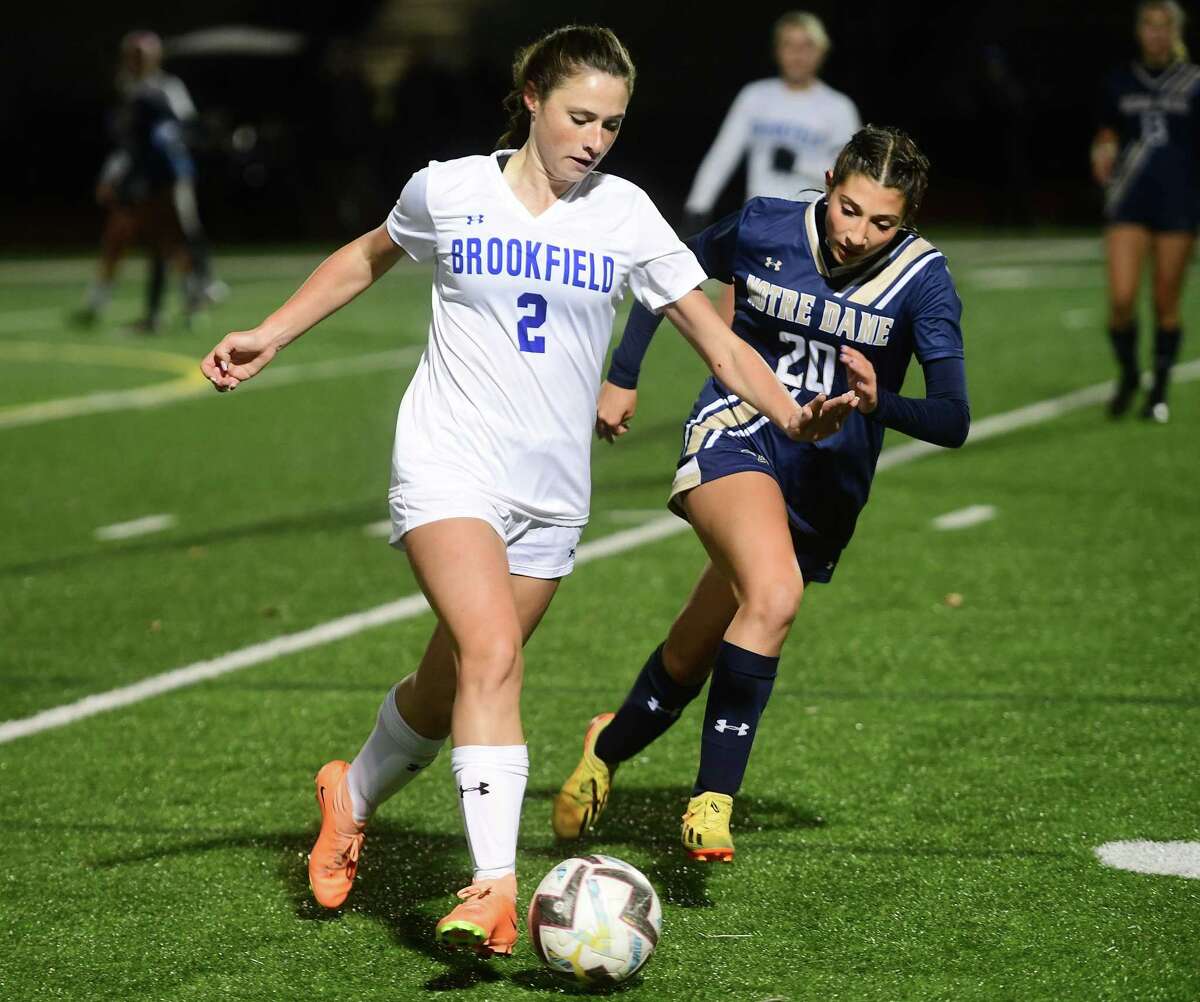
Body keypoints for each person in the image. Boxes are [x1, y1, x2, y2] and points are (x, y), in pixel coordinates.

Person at [200, 25, 856, 956]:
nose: (593, 138)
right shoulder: (451, 188)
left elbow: (714, 336)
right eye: (579, 116)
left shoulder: (625, 213)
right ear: (533, 99)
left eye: (613, 125)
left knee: (446, 686)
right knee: (494, 652)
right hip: (446, 463)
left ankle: (347, 798)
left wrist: (791, 416)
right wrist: (271, 333)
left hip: (550, 494)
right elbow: (368, 254)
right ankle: (493, 886)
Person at [552, 125, 970, 863]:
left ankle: (605, 749)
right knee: (774, 594)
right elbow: (666, 278)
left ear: (907, 221)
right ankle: (712, 803)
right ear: (831, 179)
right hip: (737, 429)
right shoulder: (765, 225)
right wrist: (624, 372)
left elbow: (953, 417)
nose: (857, 233)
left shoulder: (923, 279)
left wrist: (879, 406)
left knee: (693, 653)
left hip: (824, 485)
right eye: (848, 208)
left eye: (882, 222)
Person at [682, 11, 860, 324]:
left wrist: (800, 163)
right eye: (789, 45)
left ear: (821, 51)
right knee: (733, 333)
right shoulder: (755, 97)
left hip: (809, 232)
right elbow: (723, 153)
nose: (797, 54)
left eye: (806, 46)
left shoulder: (838, 108)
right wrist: (698, 206)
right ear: (777, 50)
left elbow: (851, 176)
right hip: (758, 228)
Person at [1091, 0, 1199, 423]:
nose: (1157, 34)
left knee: (1166, 303)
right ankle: (1131, 374)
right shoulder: (1119, 81)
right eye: (1150, 26)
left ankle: (1160, 389)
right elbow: (1106, 131)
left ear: (1177, 32)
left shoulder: (1193, 82)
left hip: (1179, 203)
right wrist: (1101, 150)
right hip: (1128, 202)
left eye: (1165, 26)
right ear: (1139, 31)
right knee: (1120, 301)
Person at [78, 30, 222, 332]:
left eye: (140, 55)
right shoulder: (129, 90)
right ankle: (174, 302)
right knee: (149, 241)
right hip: (143, 177)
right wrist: (115, 174)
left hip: (170, 174)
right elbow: (127, 142)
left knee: (181, 233)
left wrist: (175, 143)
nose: (135, 60)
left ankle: (202, 286)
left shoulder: (166, 89)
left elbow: (187, 126)